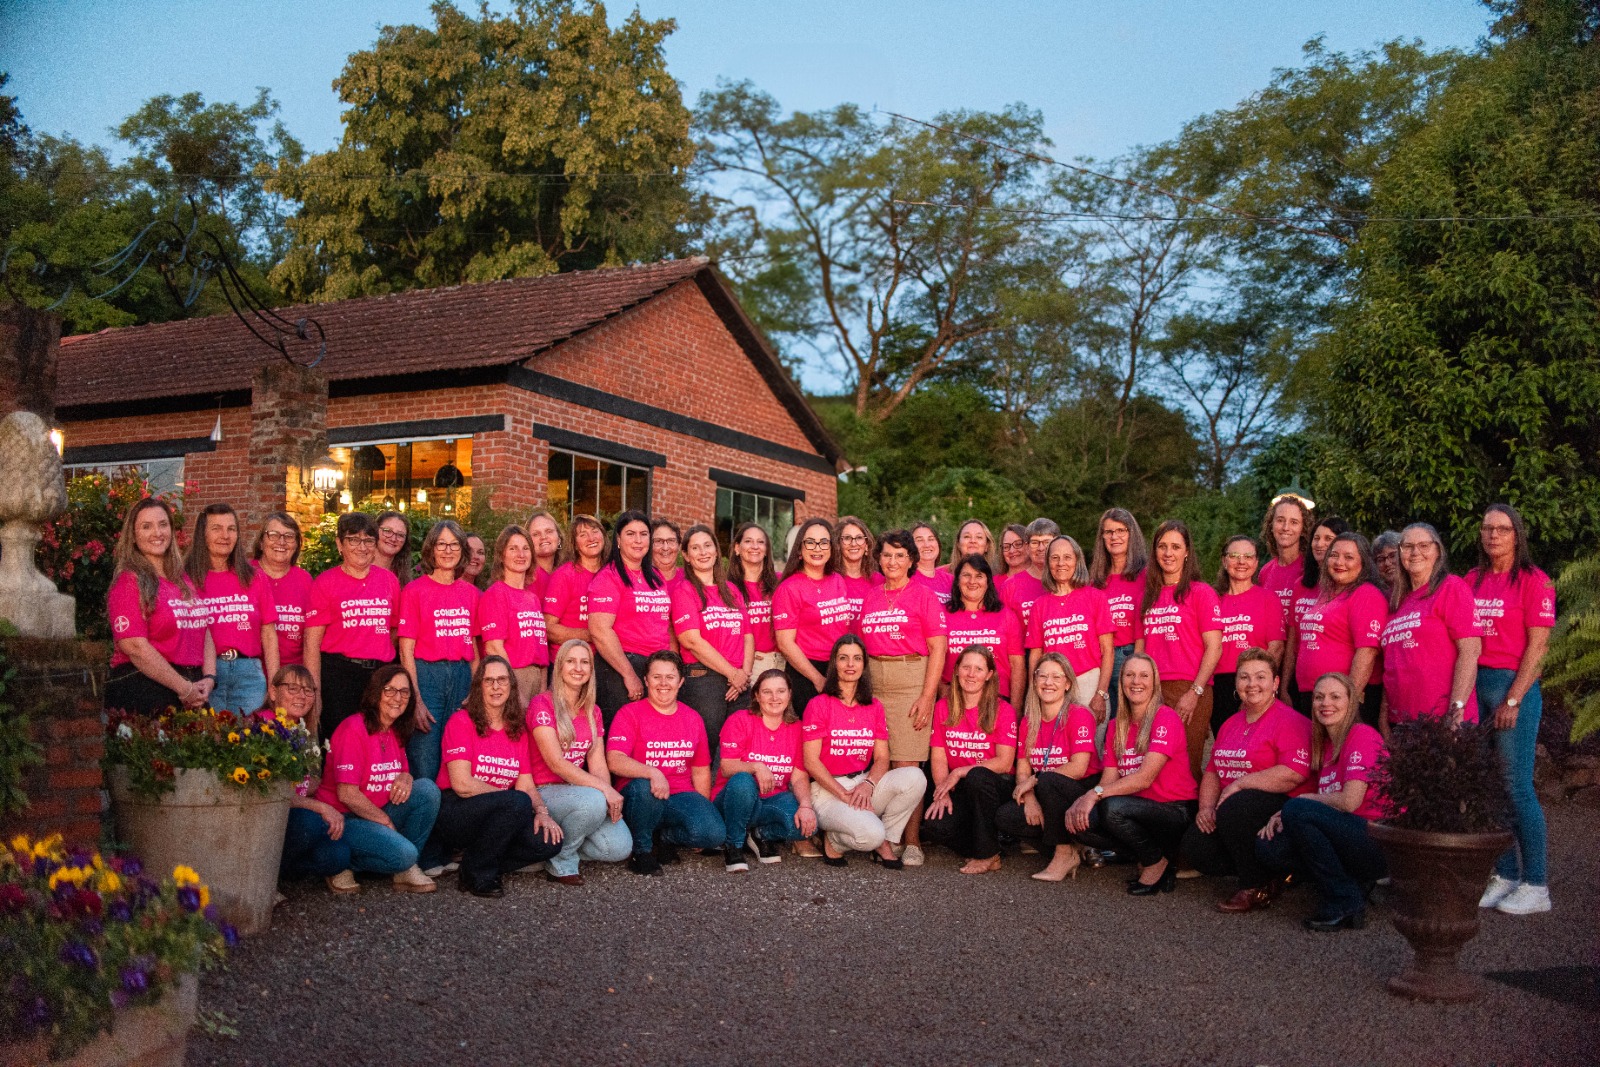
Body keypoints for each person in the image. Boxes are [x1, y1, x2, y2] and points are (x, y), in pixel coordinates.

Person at [1469, 504, 1555, 916]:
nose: (1493, 536)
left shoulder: (1533, 582)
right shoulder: (1471, 580)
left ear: (1516, 535)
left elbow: (1539, 647)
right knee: (1488, 787)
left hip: (1510, 685)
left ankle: (1536, 884)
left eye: (1502, 529)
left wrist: (1514, 698)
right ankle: (1504, 874)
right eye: (1487, 529)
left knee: (1516, 786)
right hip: (1476, 684)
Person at [1180, 648, 1311, 913]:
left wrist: (1240, 784)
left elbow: (1293, 773)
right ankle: (1272, 872)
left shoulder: (1290, 721)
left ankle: (1254, 885)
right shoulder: (1230, 724)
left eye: (1260, 677)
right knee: (1196, 847)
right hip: (1237, 810)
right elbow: (1213, 771)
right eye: (1244, 677)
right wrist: (1206, 808)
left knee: (1236, 807)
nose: (1252, 684)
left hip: (1282, 807)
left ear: (1275, 683)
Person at [1256, 672, 1388, 931]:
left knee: (1298, 809)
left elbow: (1350, 802)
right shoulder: (1325, 747)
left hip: (1380, 839)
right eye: (1319, 697)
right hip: (1348, 834)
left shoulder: (1362, 735)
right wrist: (1284, 814)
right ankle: (1351, 883)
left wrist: (1300, 803)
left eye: (1335, 696)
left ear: (1352, 702)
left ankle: (1344, 900)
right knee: (1269, 847)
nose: (1325, 703)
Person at [1065, 653, 1197, 895]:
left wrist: (1094, 794)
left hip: (1173, 810)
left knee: (1111, 808)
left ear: (1154, 682)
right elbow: (1109, 779)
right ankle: (1146, 853)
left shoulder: (1165, 717)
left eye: (1144, 675)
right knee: (1081, 822)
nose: (1136, 681)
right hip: (1137, 809)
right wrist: (1082, 802)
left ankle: (1155, 861)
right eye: (1129, 675)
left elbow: (1145, 778)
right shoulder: (1117, 725)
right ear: (1122, 680)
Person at [432, 657, 562, 898]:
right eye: (488, 680)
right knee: (517, 802)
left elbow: (525, 784)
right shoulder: (461, 721)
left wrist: (543, 813)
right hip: (458, 811)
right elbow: (462, 785)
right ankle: (479, 875)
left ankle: (475, 863)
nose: (495, 686)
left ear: (512, 686)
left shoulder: (517, 730)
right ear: (478, 686)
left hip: (502, 812)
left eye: (502, 680)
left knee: (549, 842)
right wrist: (511, 800)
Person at [858, 529, 949, 865]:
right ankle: (879, 832)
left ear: (912, 560)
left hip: (911, 678)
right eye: (886, 555)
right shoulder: (871, 596)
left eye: (900, 555)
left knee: (907, 764)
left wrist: (927, 696)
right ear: (878, 560)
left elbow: (939, 647)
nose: (892, 561)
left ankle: (910, 841)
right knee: (877, 760)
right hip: (874, 681)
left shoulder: (924, 596)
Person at [313, 664, 441, 894]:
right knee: (405, 853)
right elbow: (347, 794)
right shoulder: (353, 728)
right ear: (376, 693)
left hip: (376, 812)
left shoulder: (395, 729)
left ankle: (403, 867)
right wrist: (384, 821)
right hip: (344, 818)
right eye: (390, 690)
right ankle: (343, 863)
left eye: (404, 692)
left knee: (427, 791)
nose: (397, 698)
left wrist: (407, 776)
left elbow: (399, 773)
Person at [801, 635, 925, 867]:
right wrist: (841, 793)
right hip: (827, 791)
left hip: (860, 784)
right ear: (834, 664)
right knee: (869, 834)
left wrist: (867, 785)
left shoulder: (874, 706)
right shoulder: (819, 704)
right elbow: (811, 762)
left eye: (857, 658)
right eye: (844, 658)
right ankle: (836, 841)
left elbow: (881, 758)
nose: (850, 664)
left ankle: (885, 840)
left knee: (914, 778)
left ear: (864, 665)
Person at [607, 651, 724, 875]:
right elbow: (614, 760)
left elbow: (700, 771)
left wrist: (701, 813)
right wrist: (652, 772)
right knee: (644, 787)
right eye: (656, 677)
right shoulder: (629, 714)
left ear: (680, 681)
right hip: (640, 797)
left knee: (713, 833)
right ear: (646, 680)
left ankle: (665, 837)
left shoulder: (693, 718)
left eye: (670, 677)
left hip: (679, 794)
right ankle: (642, 851)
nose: (663, 683)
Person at [526, 639, 632, 886]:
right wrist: (604, 791)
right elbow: (556, 763)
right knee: (593, 800)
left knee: (619, 847)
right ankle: (561, 860)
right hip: (544, 792)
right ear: (560, 666)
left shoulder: (592, 710)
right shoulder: (542, 704)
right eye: (571, 661)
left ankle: (546, 851)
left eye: (585, 662)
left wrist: (608, 799)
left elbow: (598, 765)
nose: (578, 668)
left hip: (577, 794)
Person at [995, 652, 1101, 881]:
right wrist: (1030, 798)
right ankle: (1069, 849)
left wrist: (1035, 780)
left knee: (1049, 781)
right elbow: (1023, 768)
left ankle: (1063, 853)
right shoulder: (1028, 720)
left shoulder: (1079, 714)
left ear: (1067, 683)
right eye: (1043, 676)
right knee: (1006, 816)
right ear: (1034, 681)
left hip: (1080, 789)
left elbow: (1079, 767)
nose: (1048, 683)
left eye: (1056, 677)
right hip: (1046, 789)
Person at [105, 498, 213, 715]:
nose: (157, 533)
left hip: (190, 686)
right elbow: (134, 647)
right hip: (144, 687)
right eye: (146, 526)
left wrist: (209, 677)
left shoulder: (182, 580)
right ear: (134, 537)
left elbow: (205, 627)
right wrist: (184, 688)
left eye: (163, 524)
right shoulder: (129, 582)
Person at [1136, 520, 1222, 780]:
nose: (1168, 553)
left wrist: (1195, 692)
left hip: (1189, 689)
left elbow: (1214, 647)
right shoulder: (1147, 596)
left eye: (1175, 546)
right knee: (1150, 765)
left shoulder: (1201, 592)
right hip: (1152, 691)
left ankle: (1192, 818)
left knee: (1187, 765)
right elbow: (1141, 650)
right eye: (1162, 546)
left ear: (1187, 552)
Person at [303, 512, 400, 742]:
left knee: (378, 740)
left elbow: (394, 630)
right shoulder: (325, 583)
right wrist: (315, 693)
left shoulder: (388, 580)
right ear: (340, 543)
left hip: (379, 676)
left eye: (368, 540)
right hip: (339, 676)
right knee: (340, 742)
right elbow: (311, 644)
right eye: (353, 540)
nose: (362, 547)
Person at [921, 646, 1019, 874]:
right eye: (966, 667)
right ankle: (987, 846)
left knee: (977, 776)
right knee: (936, 827)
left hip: (995, 785)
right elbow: (938, 756)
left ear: (989, 675)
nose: (971, 674)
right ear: (956, 671)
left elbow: (1004, 762)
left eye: (978, 669)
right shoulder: (943, 707)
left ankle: (987, 854)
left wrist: (959, 772)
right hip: (962, 786)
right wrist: (942, 791)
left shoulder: (1002, 709)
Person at [397, 520, 480, 783]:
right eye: (441, 544)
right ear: (431, 549)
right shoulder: (414, 591)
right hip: (426, 675)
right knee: (425, 755)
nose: (447, 550)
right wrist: (416, 699)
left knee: (458, 755)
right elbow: (405, 650)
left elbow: (475, 647)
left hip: (461, 674)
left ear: (462, 550)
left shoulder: (471, 593)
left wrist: (475, 689)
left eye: (454, 544)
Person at [1380, 523, 1482, 732]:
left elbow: (1470, 652)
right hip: (1402, 722)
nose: (1415, 552)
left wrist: (1456, 712)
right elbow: (1391, 663)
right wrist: (1384, 716)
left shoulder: (1451, 588)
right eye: (1407, 546)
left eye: (1424, 545)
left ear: (1438, 551)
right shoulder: (1396, 601)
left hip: (1443, 720)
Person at [713, 669, 817, 868]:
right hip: (734, 799)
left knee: (804, 828)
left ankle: (760, 834)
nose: (775, 698)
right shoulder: (740, 720)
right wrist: (756, 766)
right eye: (767, 692)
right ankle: (734, 844)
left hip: (770, 800)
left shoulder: (797, 728)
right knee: (743, 781)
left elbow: (799, 777)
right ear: (757, 696)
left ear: (789, 694)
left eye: (781, 691)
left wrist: (805, 805)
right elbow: (726, 767)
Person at [1282, 531, 1386, 724]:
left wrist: (1349, 701)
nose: (1339, 562)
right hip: (1314, 695)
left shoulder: (1365, 594)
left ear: (1363, 563)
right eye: (1334, 555)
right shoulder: (1325, 594)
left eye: (1349, 557)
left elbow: (1367, 652)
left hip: (1341, 701)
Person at [185, 504, 278, 714]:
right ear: (202, 534)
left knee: (250, 742)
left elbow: (269, 634)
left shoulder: (254, 576)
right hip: (204, 675)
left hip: (249, 675)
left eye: (231, 529)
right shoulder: (186, 578)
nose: (225, 536)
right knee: (207, 741)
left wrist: (274, 683)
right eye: (216, 528)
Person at [671, 524, 753, 754]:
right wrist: (732, 674)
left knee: (738, 750)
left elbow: (747, 636)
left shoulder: (731, 590)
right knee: (705, 750)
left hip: (738, 683)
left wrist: (743, 676)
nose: (703, 552)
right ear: (686, 556)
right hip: (704, 680)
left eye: (707, 545)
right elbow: (691, 641)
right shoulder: (684, 591)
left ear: (717, 551)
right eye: (695, 548)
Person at [588, 510, 673, 725]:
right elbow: (600, 631)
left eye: (643, 534)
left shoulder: (656, 577)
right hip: (621, 668)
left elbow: (664, 626)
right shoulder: (609, 577)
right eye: (630, 534)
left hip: (656, 668)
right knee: (621, 736)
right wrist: (628, 675)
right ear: (618, 539)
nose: (638, 540)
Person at [270, 665, 352, 887]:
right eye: (293, 688)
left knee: (339, 855)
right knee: (311, 823)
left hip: (298, 812)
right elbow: (274, 794)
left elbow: (311, 783)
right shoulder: (265, 728)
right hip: (271, 818)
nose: (301, 696)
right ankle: (269, 876)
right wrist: (322, 808)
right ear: (273, 692)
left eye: (308, 691)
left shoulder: (306, 730)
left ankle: (286, 873)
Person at [772, 517, 853, 715]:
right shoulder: (789, 588)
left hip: (838, 668)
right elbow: (785, 643)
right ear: (799, 549)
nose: (818, 548)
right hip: (806, 673)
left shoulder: (838, 580)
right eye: (810, 542)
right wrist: (818, 679)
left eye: (824, 542)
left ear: (832, 547)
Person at [1026, 534, 1113, 716]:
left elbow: (1108, 651)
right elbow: (1035, 655)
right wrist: (1033, 691)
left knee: (1088, 744)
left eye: (1067, 557)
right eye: (1055, 558)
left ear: (1077, 560)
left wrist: (1101, 694)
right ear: (1048, 563)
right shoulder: (1040, 605)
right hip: (1052, 684)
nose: (1061, 563)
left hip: (1088, 682)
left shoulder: (1095, 598)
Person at [1212, 535, 1286, 734]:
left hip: (1255, 683)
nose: (1241, 562)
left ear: (1255, 562)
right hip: (1218, 685)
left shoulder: (1268, 599)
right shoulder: (1211, 599)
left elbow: (1276, 647)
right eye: (1234, 555)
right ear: (1224, 560)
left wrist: (1257, 685)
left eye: (1248, 556)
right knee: (1224, 743)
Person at [477, 524, 550, 701]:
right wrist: (514, 689)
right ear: (502, 555)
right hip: (511, 677)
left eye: (526, 548)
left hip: (536, 678)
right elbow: (494, 647)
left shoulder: (532, 598)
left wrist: (541, 691)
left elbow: (540, 649)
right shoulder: (495, 594)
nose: (521, 554)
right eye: (513, 548)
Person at [1089, 507, 1149, 716]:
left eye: (1121, 530)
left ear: (1131, 534)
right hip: (1102, 660)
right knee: (1107, 727)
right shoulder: (1095, 581)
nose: (1115, 537)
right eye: (1109, 532)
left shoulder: (1146, 575)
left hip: (1132, 654)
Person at [942, 554, 1025, 703]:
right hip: (954, 698)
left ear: (988, 581)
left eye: (979, 576)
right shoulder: (943, 614)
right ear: (957, 581)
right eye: (966, 575)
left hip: (996, 698)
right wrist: (943, 697)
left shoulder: (1006, 615)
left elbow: (1017, 666)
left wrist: (1016, 709)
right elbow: (937, 659)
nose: (972, 581)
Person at [252, 512, 313, 668]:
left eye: (289, 536)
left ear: (297, 544)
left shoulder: (305, 580)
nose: (281, 542)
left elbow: (310, 636)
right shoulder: (245, 574)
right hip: (250, 674)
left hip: (292, 674)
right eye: (273, 535)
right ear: (260, 542)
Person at [544, 513, 606, 660]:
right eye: (583, 534)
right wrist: (593, 635)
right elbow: (548, 628)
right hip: (568, 661)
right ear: (575, 544)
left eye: (595, 531)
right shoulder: (564, 575)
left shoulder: (612, 573)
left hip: (604, 661)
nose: (591, 538)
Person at [730, 522, 783, 677]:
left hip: (784, 661)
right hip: (751, 664)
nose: (755, 546)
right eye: (748, 541)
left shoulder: (781, 583)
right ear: (737, 548)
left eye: (760, 542)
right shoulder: (728, 588)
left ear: (766, 550)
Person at [1257, 494, 1315, 630]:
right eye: (1280, 520)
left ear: (1303, 529)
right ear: (1271, 525)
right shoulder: (1265, 572)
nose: (1286, 527)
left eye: (1294, 522)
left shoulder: (1310, 568)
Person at [1001, 518, 1058, 634]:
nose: (1041, 548)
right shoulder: (1010, 586)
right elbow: (1004, 631)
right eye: (1035, 543)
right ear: (1027, 547)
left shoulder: (1068, 581)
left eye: (1046, 542)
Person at [832, 516, 877, 620]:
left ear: (866, 545)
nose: (853, 543)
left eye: (859, 538)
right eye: (847, 538)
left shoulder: (879, 581)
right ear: (838, 545)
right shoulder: (830, 581)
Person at [909, 522, 953, 599]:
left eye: (931, 539)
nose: (927, 545)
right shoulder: (905, 579)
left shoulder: (951, 580)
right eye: (919, 540)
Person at [374, 511, 413, 585]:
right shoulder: (359, 570)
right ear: (375, 531)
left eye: (400, 535)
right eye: (387, 531)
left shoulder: (403, 578)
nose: (393, 539)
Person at [524, 509, 563, 577]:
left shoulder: (567, 574)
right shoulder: (523, 577)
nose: (543, 537)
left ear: (559, 538)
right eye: (536, 534)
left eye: (549, 531)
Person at [650, 519, 683, 586]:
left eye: (671, 541)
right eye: (658, 541)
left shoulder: (690, 578)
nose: (665, 548)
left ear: (679, 546)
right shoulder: (640, 579)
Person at [1371, 530, 1402, 595]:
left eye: (1393, 555)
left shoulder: (1422, 589)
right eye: (1381, 559)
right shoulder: (1375, 594)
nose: (1387, 563)